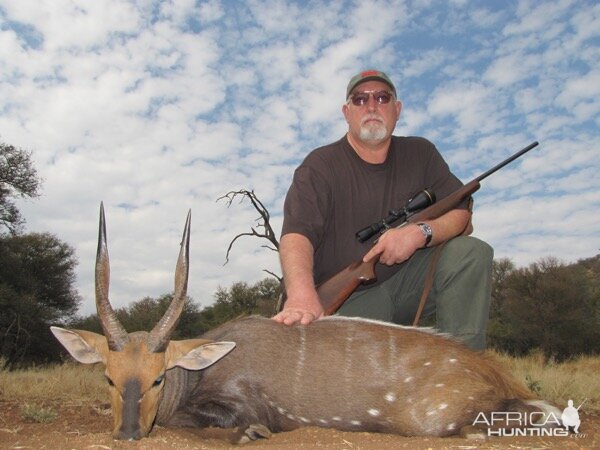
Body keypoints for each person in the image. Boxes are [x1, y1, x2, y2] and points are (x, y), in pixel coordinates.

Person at [272, 69, 493, 350]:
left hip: (409, 284)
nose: (372, 105)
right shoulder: (319, 165)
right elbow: (296, 235)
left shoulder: (421, 153)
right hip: (350, 300)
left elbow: (461, 213)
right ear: (347, 111)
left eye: (382, 97)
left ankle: (466, 373)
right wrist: (302, 297)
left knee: (472, 253)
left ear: (397, 109)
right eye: (360, 99)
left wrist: (420, 232)